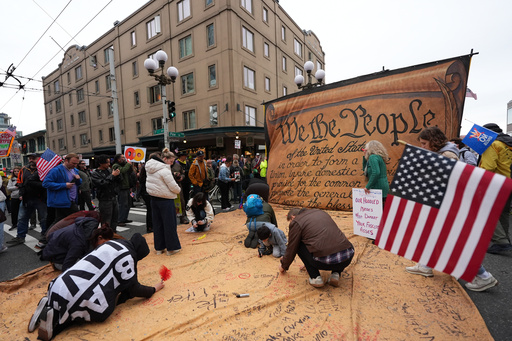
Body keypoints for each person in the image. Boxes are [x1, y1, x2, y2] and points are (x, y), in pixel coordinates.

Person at [405, 126, 498, 292]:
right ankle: (425, 265)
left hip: (447, 204)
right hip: (445, 203)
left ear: (434, 141)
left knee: (453, 242)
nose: (423, 147)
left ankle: (484, 276)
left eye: (425, 143)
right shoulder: (445, 152)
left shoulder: (448, 155)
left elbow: (449, 181)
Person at [28, 233, 164, 341]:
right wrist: (153, 289)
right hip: (79, 297)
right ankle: (55, 324)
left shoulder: (111, 243)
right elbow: (134, 289)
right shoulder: (128, 257)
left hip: (59, 284)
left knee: (75, 298)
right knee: (102, 310)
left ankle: (49, 304)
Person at [279, 208, 355, 288]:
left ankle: (315, 278)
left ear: (293, 217)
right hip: (346, 258)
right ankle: (335, 274)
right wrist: (306, 263)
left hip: (324, 263)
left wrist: (283, 265)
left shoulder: (297, 222)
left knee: (298, 244)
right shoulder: (320, 212)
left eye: (290, 222)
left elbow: (292, 248)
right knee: (340, 243)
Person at [480, 123, 512, 254]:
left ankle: (501, 242)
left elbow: (488, 167)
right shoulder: (508, 143)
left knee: (485, 211)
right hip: (509, 182)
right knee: (503, 213)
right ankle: (505, 240)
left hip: (497, 183)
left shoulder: (492, 144)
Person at [145, 148, 182, 255]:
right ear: (165, 159)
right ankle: (171, 248)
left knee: (157, 224)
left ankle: (159, 248)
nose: (171, 164)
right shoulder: (164, 170)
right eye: (171, 161)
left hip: (154, 198)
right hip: (166, 199)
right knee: (169, 224)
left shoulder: (150, 167)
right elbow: (173, 186)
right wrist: (178, 190)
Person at [6, 153, 48, 246]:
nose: (31, 160)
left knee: (44, 218)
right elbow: (20, 182)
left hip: (40, 198)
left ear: (39, 159)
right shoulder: (24, 169)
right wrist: (21, 193)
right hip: (27, 198)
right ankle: (20, 237)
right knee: (22, 218)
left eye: (34, 158)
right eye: (30, 158)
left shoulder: (45, 169)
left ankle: (45, 236)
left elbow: (47, 183)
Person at [40, 215, 108, 271]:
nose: (102, 245)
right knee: (89, 266)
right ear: (99, 237)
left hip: (55, 246)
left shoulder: (86, 227)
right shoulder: (78, 242)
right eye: (104, 242)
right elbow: (67, 265)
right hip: (58, 260)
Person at [43, 153, 82, 226]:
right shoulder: (56, 170)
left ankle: (48, 235)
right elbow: (46, 183)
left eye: (76, 163)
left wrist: (78, 180)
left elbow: (78, 183)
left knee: (60, 220)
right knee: (77, 218)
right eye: (73, 163)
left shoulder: (74, 170)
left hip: (71, 199)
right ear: (66, 160)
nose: (75, 165)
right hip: (62, 200)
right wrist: (64, 185)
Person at [91, 155, 121, 232]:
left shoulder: (110, 170)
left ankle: (113, 234)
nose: (109, 164)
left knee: (115, 219)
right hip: (105, 199)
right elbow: (102, 184)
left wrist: (118, 175)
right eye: (107, 162)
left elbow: (118, 182)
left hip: (113, 197)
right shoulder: (95, 173)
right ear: (101, 163)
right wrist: (112, 176)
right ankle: (105, 236)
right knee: (106, 220)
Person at [362, 140, 390, 207]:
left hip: (378, 187)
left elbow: (376, 172)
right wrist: (365, 157)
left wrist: (367, 187)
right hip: (382, 187)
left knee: (378, 211)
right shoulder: (377, 157)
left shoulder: (373, 157)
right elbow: (365, 171)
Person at [112, 154, 133, 226]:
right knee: (122, 204)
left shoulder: (124, 165)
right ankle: (120, 220)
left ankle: (124, 218)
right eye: (123, 157)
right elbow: (122, 171)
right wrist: (128, 164)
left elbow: (129, 172)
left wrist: (130, 166)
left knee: (128, 204)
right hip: (121, 187)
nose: (124, 158)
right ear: (118, 159)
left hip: (126, 187)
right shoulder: (115, 165)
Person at [172, 151, 189, 225]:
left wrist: (181, 177)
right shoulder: (164, 166)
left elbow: (183, 173)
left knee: (181, 201)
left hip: (178, 185)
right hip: (168, 186)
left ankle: (183, 217)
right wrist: (173, 174)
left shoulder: (178, 165)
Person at [138, 158, 153, 233]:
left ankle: (150, 226)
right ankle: (150, 226)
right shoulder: (146, 169)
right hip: (146, 191)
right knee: (150, 209)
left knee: (150, 209)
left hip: (146, 191)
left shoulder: (145, 168)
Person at [7, 166, 21, 232]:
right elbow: (9, 188)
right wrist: (16, 187)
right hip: (14, 197)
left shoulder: (23, 178)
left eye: (17, 171)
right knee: (14, 212)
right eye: (15, 171)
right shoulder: (11, 179)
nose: (16, 172)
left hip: (22, 197)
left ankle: (22, 224)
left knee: (22, 212)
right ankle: (14, 224)